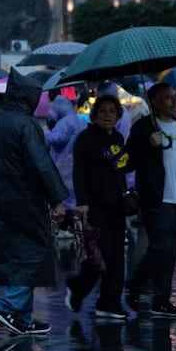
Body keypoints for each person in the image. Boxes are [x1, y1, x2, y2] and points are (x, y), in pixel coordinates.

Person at [0, 70, 68, 336]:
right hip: (25, 200)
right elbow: (42, 165)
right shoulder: (26, 125)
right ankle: (9, 305)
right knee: (33, 255)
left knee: (13, 257)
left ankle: (23, 318)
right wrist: (57, 200)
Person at [126, 83, 176, 319]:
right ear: (154, 102)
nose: (174, 102)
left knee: (169, 251)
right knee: (161, 248)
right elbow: (129, 162)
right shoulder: (143, 127)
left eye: (174, 97)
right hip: (155, 198)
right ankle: (137, 284)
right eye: (167, 98)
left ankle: (160, 300)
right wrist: (147, 145)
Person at [64, 94, 132, 320]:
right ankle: (78, 286)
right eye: (102, 111)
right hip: (95, 205)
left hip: (117, 205)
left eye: (112, 111)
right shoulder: (86, 139)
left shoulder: (119, 138)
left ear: (118, 115)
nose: (107, 115)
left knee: (117, 257)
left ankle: (109, 303)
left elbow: (123, 168)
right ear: (94, 114)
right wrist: (81, 202)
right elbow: (79, 172)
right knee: (101, 254)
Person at [45, 96, 86, 239]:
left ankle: (65, 228)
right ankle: (75, 228)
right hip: (74, 165)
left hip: (64, 166)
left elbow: (57, 139)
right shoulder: (78, 120)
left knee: (64, 200)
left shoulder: (65, 122)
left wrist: (45, 135)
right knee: (73, 200)